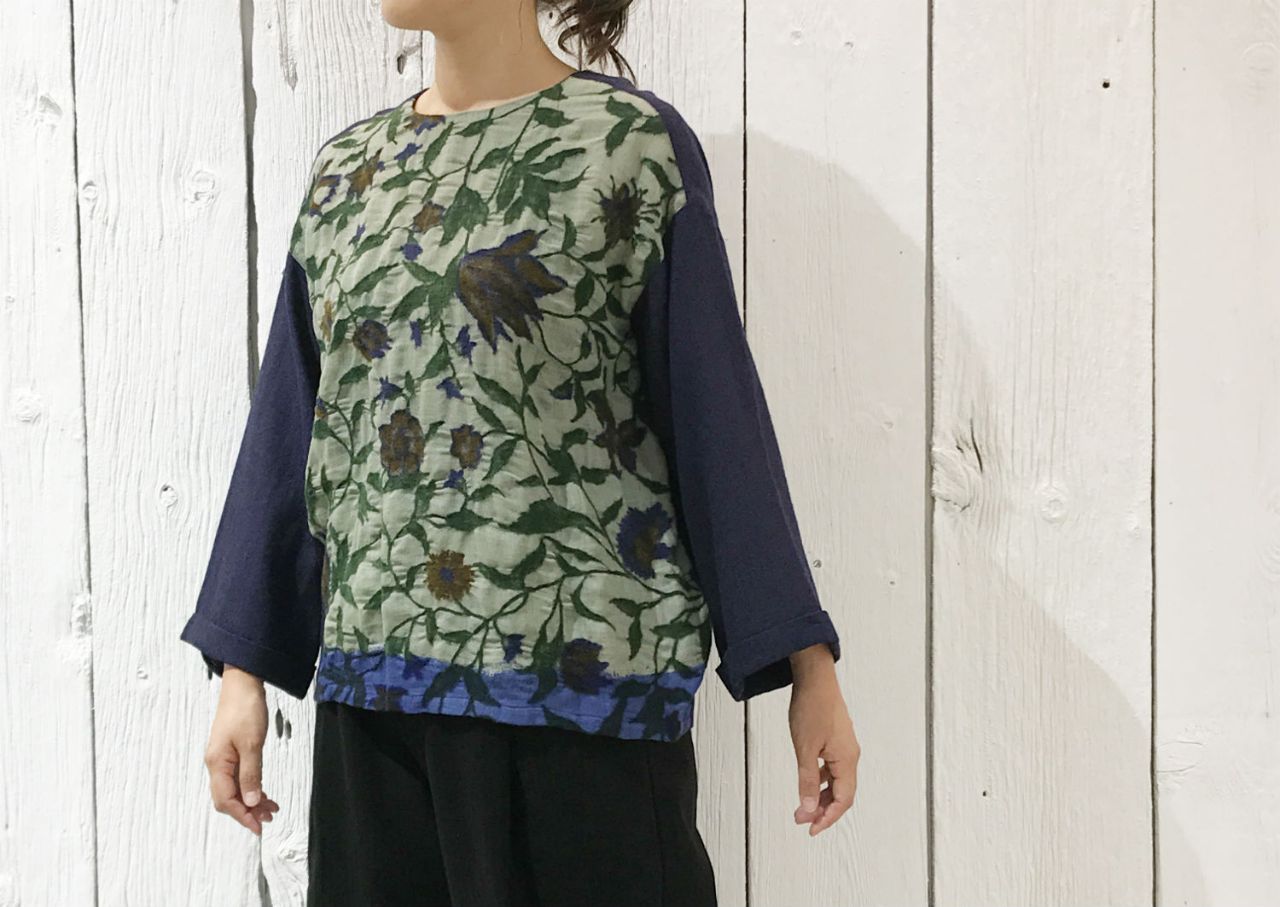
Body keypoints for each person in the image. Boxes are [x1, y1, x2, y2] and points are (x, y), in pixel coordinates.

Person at [179, 0, 861, 903]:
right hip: (375, 716)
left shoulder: (628, 148)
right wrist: (243, 672)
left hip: (583, 711)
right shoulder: (348, 174)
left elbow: (714, 412)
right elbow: (296, 423)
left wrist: (807, 664)